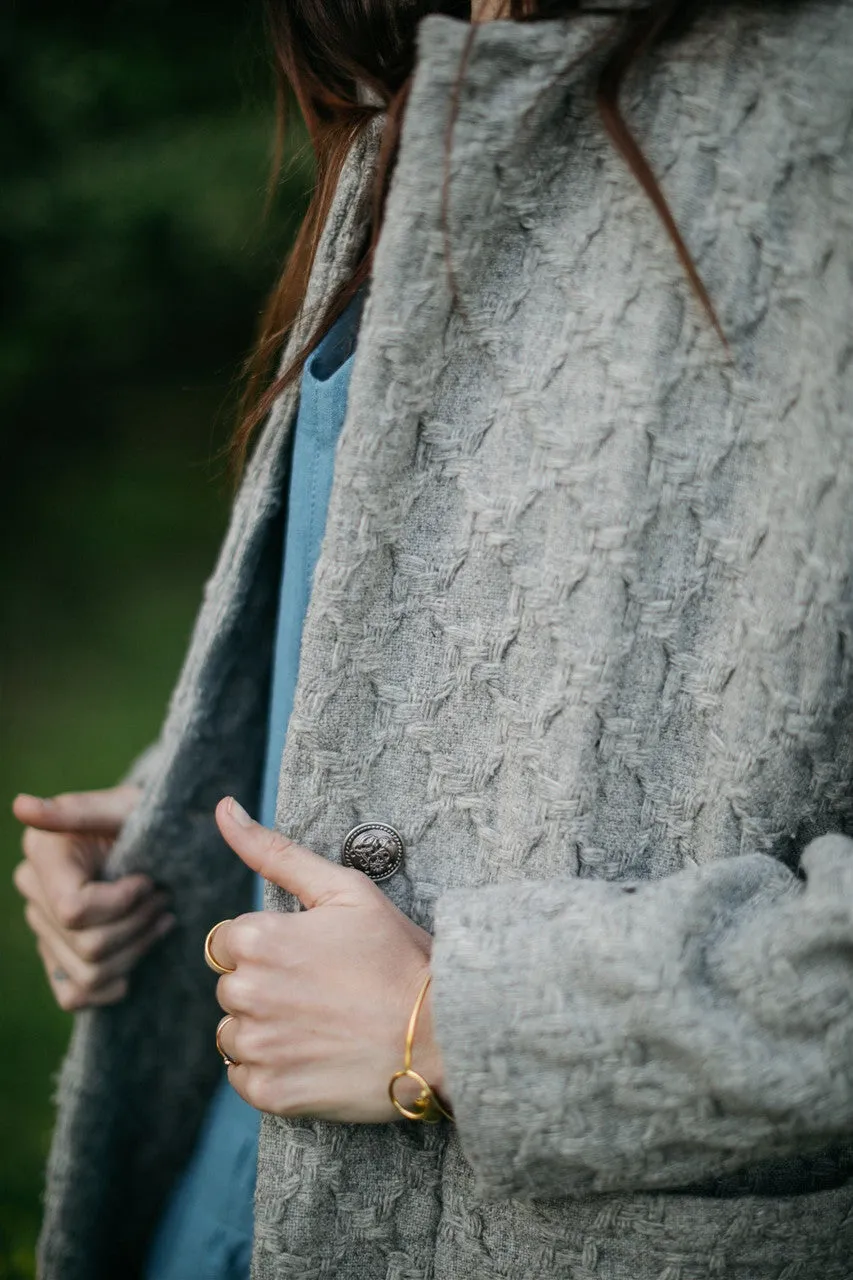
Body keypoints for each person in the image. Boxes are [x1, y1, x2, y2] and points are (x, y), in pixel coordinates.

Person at [12, 0, 853, 1277]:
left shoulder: (817, 114)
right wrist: (164, 825)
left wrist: (457, 1023)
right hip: (232, 1196)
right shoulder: (415, 101)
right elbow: (430, 640)